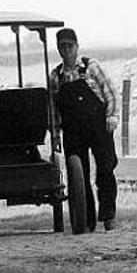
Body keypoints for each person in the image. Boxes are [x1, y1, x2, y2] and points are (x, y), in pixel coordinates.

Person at [50, 28, 119, 232]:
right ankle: (85, 221)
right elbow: (53, 109)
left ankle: (108, 217)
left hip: (98, 126)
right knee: (78, 174)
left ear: (77, 47)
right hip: (73, 129)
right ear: (58, 49)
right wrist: (55, 134)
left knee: (105, 171)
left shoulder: (91, 67)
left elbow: (111, 93)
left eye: (70, 46)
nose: (67, 50)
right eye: (62, 47)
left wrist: (111, 116)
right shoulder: (56, 76)